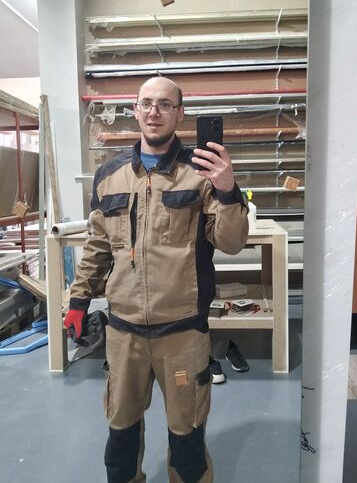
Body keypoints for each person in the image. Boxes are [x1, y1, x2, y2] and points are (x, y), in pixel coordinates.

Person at [64, 76, 249, 483]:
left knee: (187, 442)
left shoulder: (202, 171)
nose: (154, 112)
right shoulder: (109, 175)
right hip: (123, 333)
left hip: (182, 334)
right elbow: (98, 246)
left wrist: (227, 189)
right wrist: (78, 301)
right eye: (146, 103)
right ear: (135, 110)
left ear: (180, 113)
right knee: (120, 437)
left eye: (165, 104)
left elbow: (232, 242)